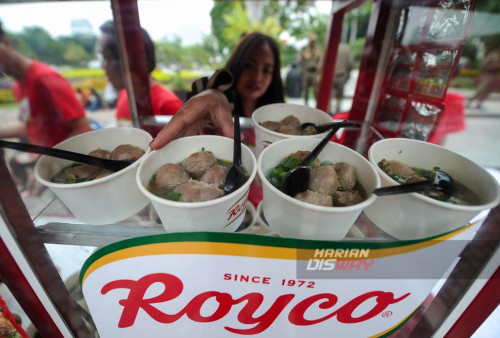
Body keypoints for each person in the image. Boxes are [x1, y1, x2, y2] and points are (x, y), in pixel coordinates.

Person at [150, 32, 285, 206]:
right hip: (217, 209)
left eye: (266, 70)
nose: (257, 77)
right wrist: (213, 94)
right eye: (249, 66)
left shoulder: (276, 120)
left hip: (264, 208)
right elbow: (209, 92)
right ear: (237, 65)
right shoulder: (219, 112)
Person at [0, 22, 91, 147]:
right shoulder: (18, 86)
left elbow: (83, 128)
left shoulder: (43, 78)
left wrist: (51, 161)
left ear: (5, 42)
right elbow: (31, 127)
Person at [98, 20, 183, 127]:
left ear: (130, 60)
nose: (103, 66)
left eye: (107, 57)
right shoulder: (125, 94)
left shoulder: (168, 105)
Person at [299, 34, 322, 106]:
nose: (312, 43)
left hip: (314, 72)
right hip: (306, 72)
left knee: (316, 90)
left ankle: (317, 105)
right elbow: (300, 61)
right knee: (305, 89)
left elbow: (320, 61)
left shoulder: (318, 51)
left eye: (314, 41)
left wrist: (318, 68)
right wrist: (301, 71)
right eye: (311, 41)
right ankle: (305, 103)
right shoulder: (305, 51)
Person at [331, 42, 353, 113]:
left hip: (331, 76)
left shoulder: (331, 47)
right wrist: (348, 75)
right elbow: (350, 63)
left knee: (330, 95)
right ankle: (337, 110)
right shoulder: (346, 48)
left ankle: (329, 111)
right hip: (341, 76)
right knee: (339, 95)